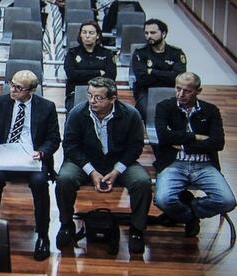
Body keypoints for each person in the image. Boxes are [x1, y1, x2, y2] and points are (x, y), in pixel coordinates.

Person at [55, 77, 152, 254]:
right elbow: (70, 146)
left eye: (98, 98)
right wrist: (91, 171)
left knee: (142, 182)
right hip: (85, 161)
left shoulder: (131, 114)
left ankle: (137, 230)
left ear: (113, 98)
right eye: (90, 95)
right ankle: (66, 224)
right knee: (64, 179)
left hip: (119, 161)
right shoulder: (77, 113)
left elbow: (135, 147)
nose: (92, 101)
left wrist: (116, 171)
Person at [0, 70, 61, 261]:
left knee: (40, 182)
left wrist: (41, 152)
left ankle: (43, 235)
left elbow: (54, 139)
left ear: (32, 90)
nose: (13, 89)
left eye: (19, 87)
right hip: (5, 156)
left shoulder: (47, 107)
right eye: (11, 84)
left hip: (31, 157)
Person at [154, 72, 236, 237]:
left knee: (228, 201)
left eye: (187, 90)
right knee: (162, 200)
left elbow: (217, 143)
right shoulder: (164, 107)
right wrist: (195, 137)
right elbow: (163, 136)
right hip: (173, 163)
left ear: (198, 91)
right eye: (178, 89)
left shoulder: (210, 111)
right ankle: (190, 218)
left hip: (204, 165)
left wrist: (184, 145)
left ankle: (190, 208)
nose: (181, 94)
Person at [132, 18, 187, 121]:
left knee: (178, 115)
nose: (149, 36)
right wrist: (168, 74)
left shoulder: (176, 53)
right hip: (146, 91)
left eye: (153, 33)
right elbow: (142, 79)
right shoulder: (140, 53)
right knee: (143, 113)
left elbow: (179, 77)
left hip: (171, 90)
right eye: (146, 33)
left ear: (164, 33)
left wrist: (152, 71)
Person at [64, 20, 116, 112]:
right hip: (76, 92)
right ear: (80, 35)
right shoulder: (72, 53)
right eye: (84, 32)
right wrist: (98, 72)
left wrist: (82, 74)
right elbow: (71, 75)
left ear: (97, 35)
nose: (87, 36)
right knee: (74, 112)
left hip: (102, 94)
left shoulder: (107, 54)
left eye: (91, 33)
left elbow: (110, 76)